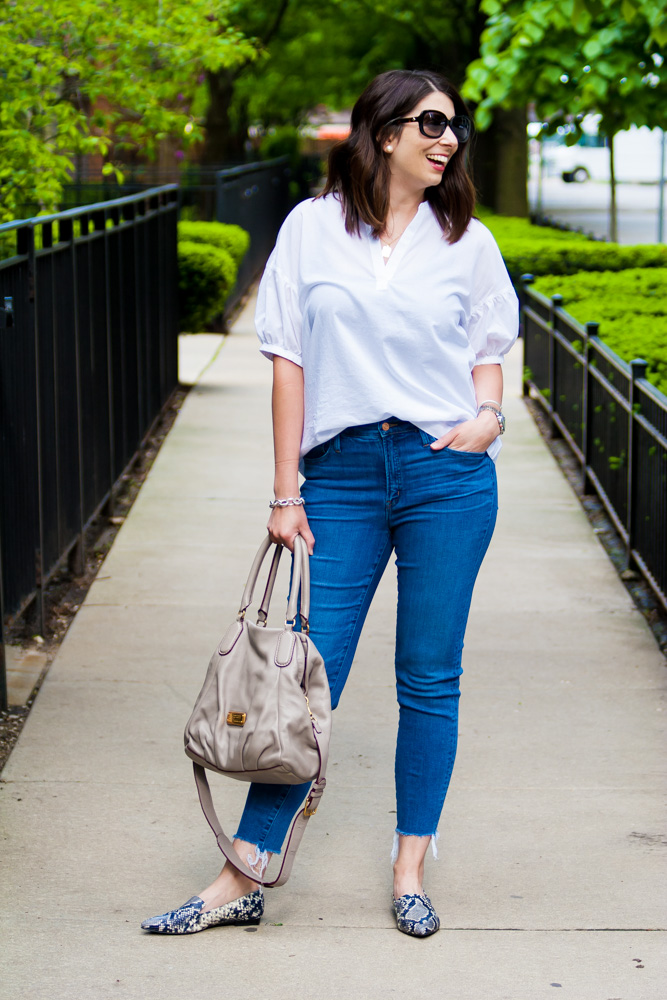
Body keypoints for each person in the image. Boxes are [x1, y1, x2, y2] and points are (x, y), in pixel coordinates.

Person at [142, 68, 518, 939]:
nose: (447, 139)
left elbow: (488, 347)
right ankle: (244, 875)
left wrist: (487, 417)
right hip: (340, 473)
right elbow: (285, 358)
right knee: (303, 681)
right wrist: (286, 491)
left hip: (444, 474)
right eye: (429, 122)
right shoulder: (311, 230)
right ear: (381, 132)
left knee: (429, 679)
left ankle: (410, 871)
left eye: (454, 126)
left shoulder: (466, 239)